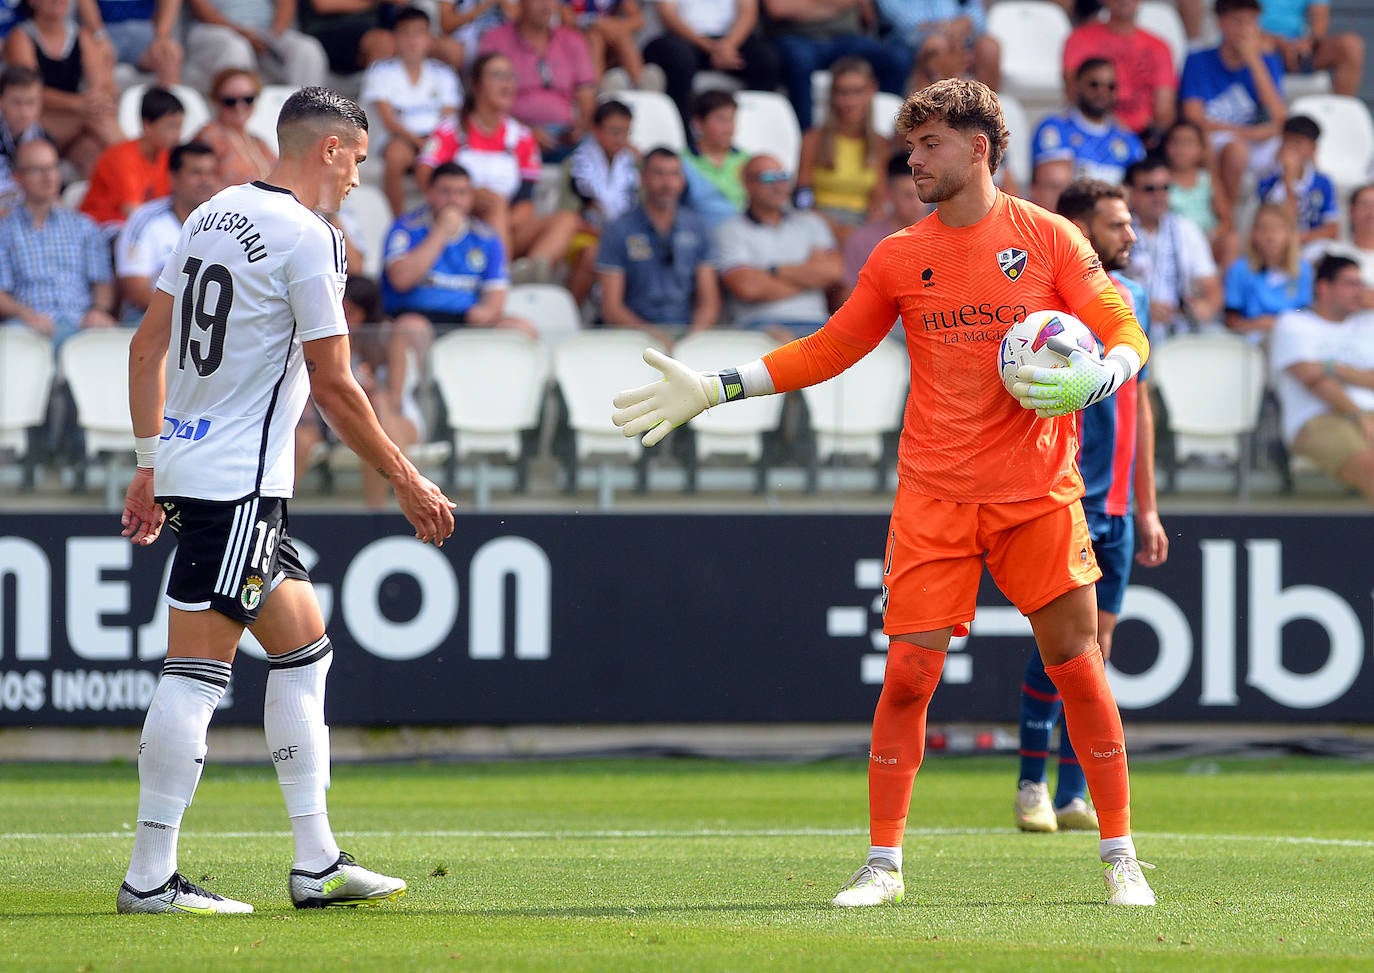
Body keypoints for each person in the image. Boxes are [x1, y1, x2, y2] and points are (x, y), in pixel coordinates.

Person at [611, 78, 1156, 909]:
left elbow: (1123, 327)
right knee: (907, 676)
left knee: (1079, 667)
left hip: (1036, 492)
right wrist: (717, 387)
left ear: (978, 149)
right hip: (934, 495)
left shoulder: (1048, 239)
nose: (913, 160)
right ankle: (883, 863)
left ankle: (1121, 855)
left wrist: (1103, 374)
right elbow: (831, 347)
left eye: (929, 144)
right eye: (910, 146)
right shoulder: (902, 252)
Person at [117, 86, 455, 916]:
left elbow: (146, 344)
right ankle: (150, 875)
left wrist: (148, 461)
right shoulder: (312, 239)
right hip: (239, 484)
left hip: (201, 468)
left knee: (305, 649)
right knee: (196, 674)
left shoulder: (210, 212)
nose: (357, 182)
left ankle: (318, 862)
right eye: (359, 163)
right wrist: (409, 479)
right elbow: (336, 387)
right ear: (331, 150)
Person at [1014, 177, 1167, 835]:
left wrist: (1149, 505)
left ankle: (1072, 793)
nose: (1131, 234)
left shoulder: (1128, 301)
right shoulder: (1049, 313)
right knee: (1064, 646)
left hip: (1120, 507)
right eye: (1117, 225)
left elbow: (1141, 404)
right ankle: (1030, 782)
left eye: (1130, 224)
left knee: (1095, 648)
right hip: (1068, 495)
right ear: (1079, 230)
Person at [415, 51, 578, 279]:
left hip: (506, 222)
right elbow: (425, 177)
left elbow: (525, 200)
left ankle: (530, 272)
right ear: (476, 85)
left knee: (567, 219)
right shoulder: (451, 130)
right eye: (498, 76)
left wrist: (503, 219)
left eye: (511, 77)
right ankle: (501, 278)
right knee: (495, 204)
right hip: (457, 220)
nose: (507, 84)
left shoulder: (521, 136)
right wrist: (466, 198)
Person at [382, 161, 531, 336]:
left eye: (461, 193)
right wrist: (440, 232)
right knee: (411, 328)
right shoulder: (406, 228)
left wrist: (488, 312)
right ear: (430, 193)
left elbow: (496, 290)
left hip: (466, 320)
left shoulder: (486, 237)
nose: (453, 199)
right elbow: (400, 280)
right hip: (415, 314)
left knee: (521, 328)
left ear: (471, 197)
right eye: (445, 191)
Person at [1270, 254, 1374, 502]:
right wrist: (1358, 415)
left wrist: (1330, 367)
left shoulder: (1367, 323)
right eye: (1351, 283)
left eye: (1361, 284)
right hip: (1318, 419)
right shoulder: (1293, 322)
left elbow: (1320, 373)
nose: (1359, 291)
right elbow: (1314, 381)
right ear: (1323, 287)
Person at [596, 146, 720, 344]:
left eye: (674, 174)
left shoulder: (698, 227)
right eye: (659, 173)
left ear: (682, 180)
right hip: (631, 337)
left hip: (686, 332)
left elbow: (709, 302)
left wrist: (692, 339)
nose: (667, 183)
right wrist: (651, 337)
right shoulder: (618, 229)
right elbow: (611, 307)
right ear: (642, 178)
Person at [0, 138, 115, 350]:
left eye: (53, 167)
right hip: (28, 326)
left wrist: (98, 310)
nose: (48, 176)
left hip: (81, 323)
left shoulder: (84, 227)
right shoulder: (4, 230)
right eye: (37, 170)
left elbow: (102, 282)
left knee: (108, 338)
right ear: (18, 177)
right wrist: (26, 315)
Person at [714, 154, 841, 341]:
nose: (778, 185)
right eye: (768, 178)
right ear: (747, 183)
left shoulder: (811, 223)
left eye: (783, 177)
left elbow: (832, 272)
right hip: (759, 326)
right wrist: (808, 279)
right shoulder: (730, 230)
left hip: (817, 324)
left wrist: (772, 270)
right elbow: (747, 287)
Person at [1179, 0, 1287, 206]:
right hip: (1214, 137)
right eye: (1238, 22)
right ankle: (1227, 219)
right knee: (1236, 151)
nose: (1246, 30)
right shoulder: (1198, 60)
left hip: (1251, 138)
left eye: (1251, 22)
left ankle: (1277, 223)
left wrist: (1254, 60)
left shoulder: (1267, 60)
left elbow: (1279, 116)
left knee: (1292, 149)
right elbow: (1193, 117)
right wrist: (1248, 134)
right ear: (1220, 23)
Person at [360, 5, 463, 216]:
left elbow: (449, 116)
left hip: (435, 138)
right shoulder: (380, 71)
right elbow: (388, 120)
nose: (412, 40)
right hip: (400, 138)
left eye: (419, 32)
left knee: (448, 159)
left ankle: (442, 218)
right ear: (395, 38)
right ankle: (396, 220)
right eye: (405, 32)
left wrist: (431, 144)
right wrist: (419, 143)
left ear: (430, 38)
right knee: (396, 155)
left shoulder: (444, 73)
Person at [4, 0, 123, 179]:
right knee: (96, 118)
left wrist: (97, 102)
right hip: (38, 118)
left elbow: (102, 84)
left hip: (76, 120)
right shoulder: (21, 37)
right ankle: (138, 159)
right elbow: (29, 91)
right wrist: (79, 104)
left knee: (90, 151)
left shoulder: (81, 35)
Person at [478, 0, 596, 163]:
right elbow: (486, 98)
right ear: (521, 3)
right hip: (512, 134)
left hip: (565, 137)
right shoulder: (496, 39)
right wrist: (525, 131)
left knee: (598, 144)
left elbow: (587, 95)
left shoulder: (573, 40)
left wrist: (580, 128)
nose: (547, 5)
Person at [762, 0, 907, 131]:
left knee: (895, 60)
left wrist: (805, 6)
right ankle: (806, 135)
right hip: (797, 38)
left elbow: (868, 15)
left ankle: (889, 132)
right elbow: (778, 9)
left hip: (845, 39)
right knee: (798, 63)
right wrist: (834, 6)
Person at [115, 141, 219, 320]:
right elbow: (135, 288)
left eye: (211, 173)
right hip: (150, 319)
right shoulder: (145, 220)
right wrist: (186, 317)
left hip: (206, 324)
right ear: (173, 178)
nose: (205, 180)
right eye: (196, 173)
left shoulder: (226, 222)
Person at [1124, 155, 1223, 342]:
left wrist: (1205, 306)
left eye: (1165, 188)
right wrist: (1141, 306)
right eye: (1150, 189)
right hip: (1129, 326)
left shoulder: (1186, 229)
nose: (1159, 196)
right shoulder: (1117, 229)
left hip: (1179, 327)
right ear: (1131, 192)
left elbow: (1211, 286)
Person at [643, 0, 782, 133]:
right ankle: (683, 131)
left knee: (766, 60)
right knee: (678, 60)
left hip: (730, 42)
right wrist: (710, 47)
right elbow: (669, 16)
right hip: (686, 40)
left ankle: (751, 130)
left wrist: (728, 45)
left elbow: (748, 12)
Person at [795, 57, 889, 246]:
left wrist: (861, 233)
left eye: (857, 92)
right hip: (817, 220)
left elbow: (879, 202)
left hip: (862, 222)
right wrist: (833, 228)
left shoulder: (880, 144)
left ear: (871, 91)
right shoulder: (813, 139)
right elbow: (802, 195)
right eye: (842, 92)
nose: (849, 101)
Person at [1030, 58, 1144, 212]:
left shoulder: (1129, 140)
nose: (1102, 92)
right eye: (1094, 85)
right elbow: (1050, 193)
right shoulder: (1055, 129)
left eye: (1110, 87)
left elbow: (1140, 196)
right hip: (1068, 225)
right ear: (1078, 85)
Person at [1062, 0, 1177, 142]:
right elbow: (1074, 94)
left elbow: (1164, 112)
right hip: (1092, 134)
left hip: (1143, 139)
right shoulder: (1079, 39)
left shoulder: (1160, 47)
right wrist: (1116, 129)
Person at [561, 98, 639, 303]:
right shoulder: (575, 164)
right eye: (614, 131)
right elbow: (568, 216)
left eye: (625, 132)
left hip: (628, 234)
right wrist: (607, 234)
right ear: (595, 130)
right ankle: (572, 315)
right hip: (589, 234)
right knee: (591, 254)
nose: (620, 139)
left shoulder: (636, 166)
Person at [79, 85, 183, 230]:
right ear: (147, 125)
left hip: (139, 231)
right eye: (171, 127)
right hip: (101, 230)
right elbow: (134, 213)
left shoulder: (166, 157)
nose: (178, 135)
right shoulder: (122, 157)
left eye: (179, 127)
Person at [838, 151, 932, 305]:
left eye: (922, 194)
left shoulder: (945, 235)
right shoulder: (863, 239)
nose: (918, 203)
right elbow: (847, 298)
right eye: (908, 196)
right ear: (890, 196)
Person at [184, 0, 330, 90]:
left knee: (308, 48)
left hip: (264, 29)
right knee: (237, 47)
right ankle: (241, 110)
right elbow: (202, 9)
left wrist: (273, 36)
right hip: (215, 29)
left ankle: (306, 114)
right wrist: (241, 33)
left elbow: (285, 3)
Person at [1223, 202, 1312, 341]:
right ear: (1253, 234)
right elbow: (1231, 319)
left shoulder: (1303, 270)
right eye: (1264, 229)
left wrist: (1281, 323)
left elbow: (1304, 311)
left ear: (1290, 234)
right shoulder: (1239, 270)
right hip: (1250, 339)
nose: (1270, 236)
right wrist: (1255, 324)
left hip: (1293, 338)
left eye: (1277, 229)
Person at [875, 0, 1000, 93]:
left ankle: (986, 114)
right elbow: (904, 21)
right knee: (937, 45)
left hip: (960, 35)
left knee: (990, 48)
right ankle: (944, 109)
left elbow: (976, 11)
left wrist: (966, 22)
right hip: (912, 40)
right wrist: (945, 29)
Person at [1255, 114, 1338, 248]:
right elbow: (1283, 220)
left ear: (1313, 149)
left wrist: (1302, 238)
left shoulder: (1323, 182)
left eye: (1298, 143)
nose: (1292, 148)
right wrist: (1288, 180)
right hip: (1278, 247)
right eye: (1288, 141)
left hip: (1309, 245)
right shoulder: (1268, 181)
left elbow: (1332, 229)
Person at [1160, 119, 1235, 266]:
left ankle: (1227, 287)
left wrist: (1212, 236)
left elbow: (1226, 219)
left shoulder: (1207, 179)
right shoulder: (1161, 179)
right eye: (1176, 142)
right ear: (1166, 146)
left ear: (1201, 149)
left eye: (1188, 143)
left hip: (1207, 240)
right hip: (1174, 240)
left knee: (1231, 240)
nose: (1181, 149)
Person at [193, 68, 278, 187]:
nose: (239, 107)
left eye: (248, 100)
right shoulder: (208, 137)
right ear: (216, 101)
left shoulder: (257, 141)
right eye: (230, 101)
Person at [1259, 0, 1363, 98]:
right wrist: (1277, 42)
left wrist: (1308, 42)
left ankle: (1339, 111)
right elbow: (1245, 19)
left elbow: (1320, 17)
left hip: (1300, 50)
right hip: (1259, 45)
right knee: (1263, 46)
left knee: (1351, 45)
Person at [681, 88, 749, 232]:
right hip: (701, 237)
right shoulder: (681, 162)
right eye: (721, 119)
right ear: (698, 123)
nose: (728, 128)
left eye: (731, 120)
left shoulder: (748, 161)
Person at [81, 0, 184, 86]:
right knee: (96, 56)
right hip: (105, 30)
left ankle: (168, 107)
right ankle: (106, 107)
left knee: (169, 55)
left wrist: (162, 35)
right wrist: (99, 35)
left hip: (145, 29)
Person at [1304, 184, 1374, 310]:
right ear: (1351, 211)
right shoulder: (1327, 251)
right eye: (1364, 205)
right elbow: (1305, 300)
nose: (1371, 212)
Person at [0, 66, 50, 214]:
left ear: (40, 103)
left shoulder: (45, 142)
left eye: (30, 103)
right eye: (17, 103)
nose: (24, 112)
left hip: (25, 214)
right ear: (1, 101)